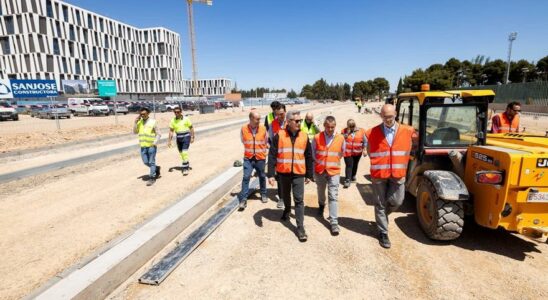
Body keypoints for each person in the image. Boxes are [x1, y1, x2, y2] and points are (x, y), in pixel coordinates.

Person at [364, 104, 415, 249]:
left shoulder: (407, 131)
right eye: (385, 117)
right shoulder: (371, 132)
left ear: (396, 114)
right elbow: (369, 150)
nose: (388, 119)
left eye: (391, 116)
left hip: (398, 174)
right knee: (379, 204)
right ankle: (383, 233)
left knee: (398, 200)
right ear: (381, 116)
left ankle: (382, 217)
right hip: (379, 174)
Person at [267, 110, 314, 242]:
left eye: (300, 120)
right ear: (288, 122)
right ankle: (287, 210)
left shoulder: (304, 136)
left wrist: (309, 174)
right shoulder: (279, 136)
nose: (300, 123)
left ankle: (300, 227)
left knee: (299, 200)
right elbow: (272, 155)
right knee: (286, 196)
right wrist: (271, 174)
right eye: (297, 121)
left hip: (299, 172)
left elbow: (309, 156)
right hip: (284, 173)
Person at [312, 116, 345, 235]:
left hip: (334, 171)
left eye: (332, 127)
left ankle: (334, 222)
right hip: (320, 170)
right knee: (321, 191)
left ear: (335, 126)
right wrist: (319, 164)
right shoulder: (317, 137)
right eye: (328, 127)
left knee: (333, 195)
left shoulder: (340, 138)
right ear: (324, 126)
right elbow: (313, 153)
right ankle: (321, 205)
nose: (330, 129)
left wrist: (332, 161)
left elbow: (342, 152)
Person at [238, 111, 268, 211]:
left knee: (262, 176)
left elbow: (266, 141)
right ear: (250, 118)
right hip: (248, 158)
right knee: (246, 177)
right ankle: (243, 199)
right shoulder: (243, 129)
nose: (259, 121)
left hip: (260, 158)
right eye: (257, 119)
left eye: (259, 119)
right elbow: (243, 140)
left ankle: (263, 193)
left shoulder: (263, 129)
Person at [133, 107, 161, 186]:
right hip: (143, 146)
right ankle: (156, 168)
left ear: (148, 113)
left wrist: (155, 143)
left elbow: (159, 134)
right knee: (145, 162)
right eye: (141, 114)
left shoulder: (153, 122)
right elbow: (135, 132)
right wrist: (135, 123)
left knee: (151, 162)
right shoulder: (139, 122)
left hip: (151, 146)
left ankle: (152, 178)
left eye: (144, 114)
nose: (142, 115)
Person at [268, 103, 287, 209]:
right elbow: (271, 138)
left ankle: (288, 193)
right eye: (277, 114)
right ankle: (281, 198)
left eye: (282, 114)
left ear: (285, 112)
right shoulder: (272, 124)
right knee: (280, 176)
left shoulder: (290, 122)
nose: (280, 116)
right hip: (279, 154)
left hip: (289, 154)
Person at [167, 107, 195, 175]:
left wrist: (192, 137)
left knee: (184, 152)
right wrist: (169, 141)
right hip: (178, 138)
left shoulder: (186, 119)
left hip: (186, 137)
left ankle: (185, 168)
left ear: (181, 112)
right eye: (175, 112)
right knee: (181, 153)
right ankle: (186, 163)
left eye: (178, 112)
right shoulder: (172, 120)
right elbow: (171, 131)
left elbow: (191, 128)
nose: (176, 113)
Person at [341, 119, 366, 188]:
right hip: (347, 152)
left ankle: (353, 175)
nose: (352, 128)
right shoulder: (344, 131)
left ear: (355, 125)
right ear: (348, 126)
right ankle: (347, 180)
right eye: (350, 126)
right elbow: (341, 139)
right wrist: (347, 133)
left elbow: (365, 141)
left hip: (357, 152)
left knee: (355, 164)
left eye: (353, 126)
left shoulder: (361, 131)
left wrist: (365, 149)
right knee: (349, 165)